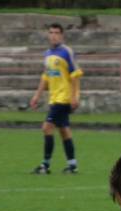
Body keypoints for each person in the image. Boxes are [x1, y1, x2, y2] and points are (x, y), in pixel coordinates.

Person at [30, 23, 83, 175]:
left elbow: (75, 76)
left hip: (64, 98)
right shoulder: (47, 54)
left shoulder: (67, 52)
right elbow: (45, 77)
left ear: (62, 35)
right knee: (64, 131)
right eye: (51, 32)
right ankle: (72, 165)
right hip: (54, 98)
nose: (53, 35)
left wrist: (75, 97)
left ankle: (45, 166)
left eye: (56, 33)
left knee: (47, 128)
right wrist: (37, 95)